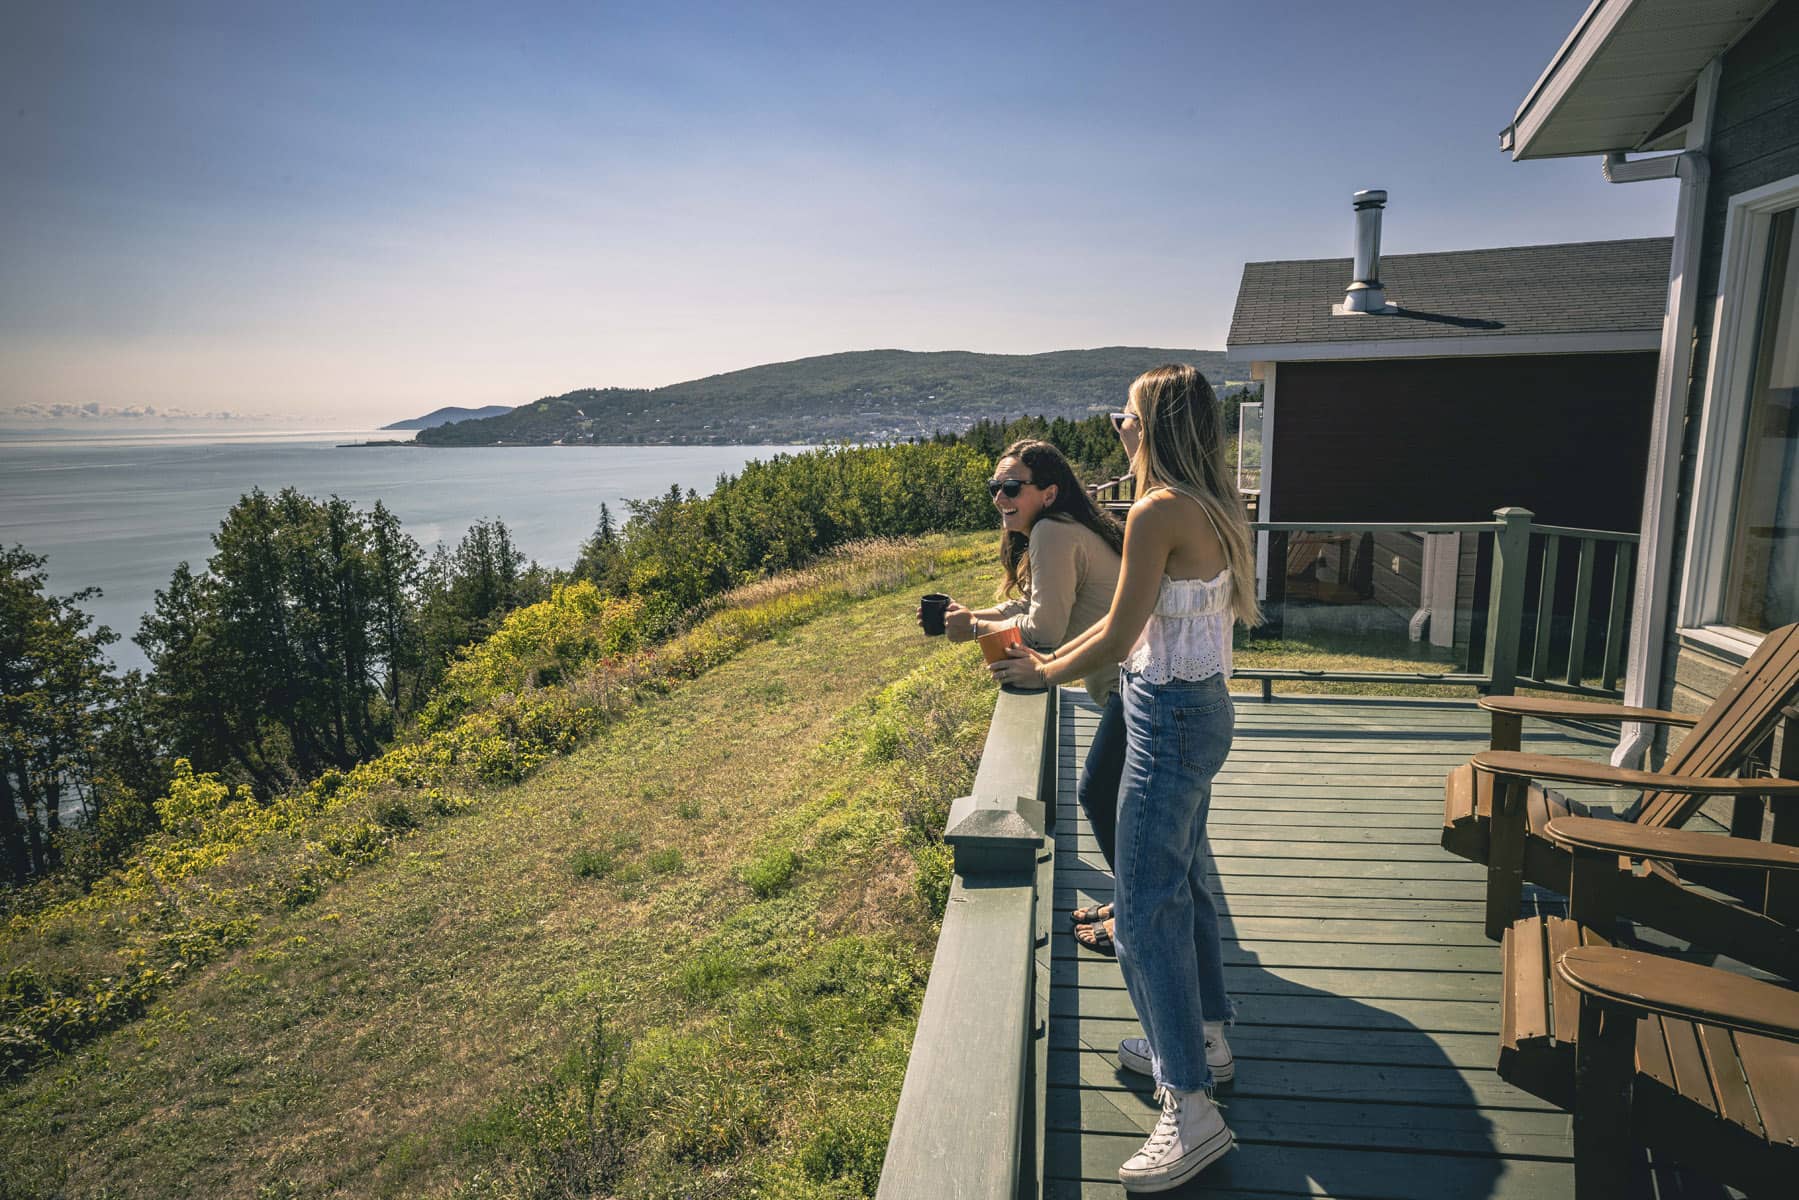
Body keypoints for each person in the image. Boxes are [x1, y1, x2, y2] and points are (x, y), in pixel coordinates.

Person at [990, 364, 1258, 1192]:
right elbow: (1120, 626)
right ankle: (1205, 1037)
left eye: (1126, 420)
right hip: (1199, 707)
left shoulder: (1156, 509)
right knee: (1180, 889)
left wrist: (1042, 673)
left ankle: (1191, 1105)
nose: (1120, 432)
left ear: (1153, 428)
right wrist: (1054, 662)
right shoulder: (1214, 504)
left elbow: (1115, 632)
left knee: (1142, 914)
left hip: (1166, 717)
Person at [925, 440, 1125, 951]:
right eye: (995, 488)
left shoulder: (1053, 534)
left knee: (1101, 796)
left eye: (1012, 488)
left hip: (1133, 687)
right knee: (1117, 799)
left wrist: (973, 630)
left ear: (1049, 492)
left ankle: (1136, 912)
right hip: (1128, 683)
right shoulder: (1062, 528)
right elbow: (1031, 603)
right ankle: (1132, 899)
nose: (1000, 497)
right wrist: (976, 617)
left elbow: (1042, 633)